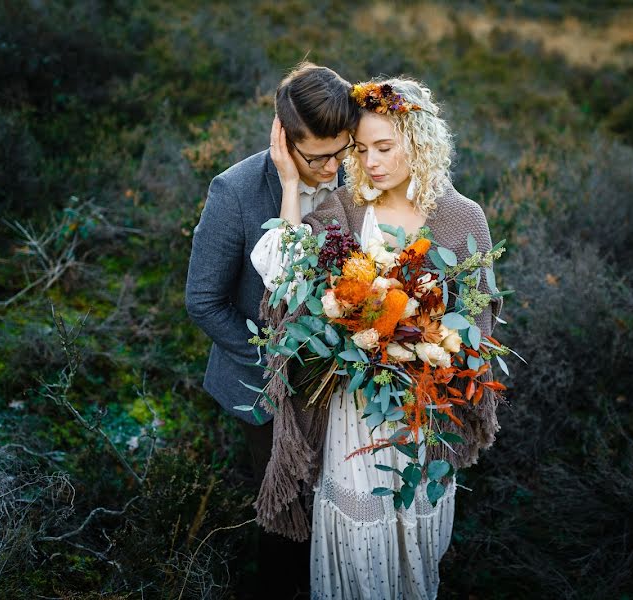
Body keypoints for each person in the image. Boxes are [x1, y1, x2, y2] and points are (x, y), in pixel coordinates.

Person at [251, 77, 504, 599]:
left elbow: (483, 312)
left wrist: (431, 348)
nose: (372, 163)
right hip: (353, 412)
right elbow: (286, 274)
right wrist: (292, 188)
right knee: (356, 537)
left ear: (419, 141)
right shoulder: (346, 209)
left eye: (385, 148)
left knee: (415, 537)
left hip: (419, 413)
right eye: (362, 150)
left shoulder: (462, 217)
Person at [184, 62, 360, 597]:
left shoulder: (355, 179)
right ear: (284, 137)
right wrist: (283, 362)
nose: (332, 169)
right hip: (263, 389)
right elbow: (204, 302)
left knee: (338, 508)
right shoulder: (234, 191)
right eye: (317, 157)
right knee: (287, 519)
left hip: (342, 386)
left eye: (342, 151)